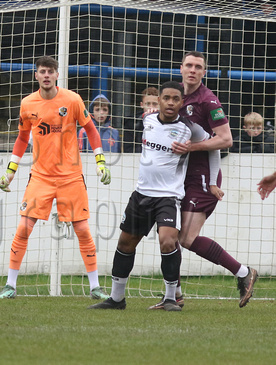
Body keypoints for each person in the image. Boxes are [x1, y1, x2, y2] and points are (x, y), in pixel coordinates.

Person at [88, 81, 220, 311]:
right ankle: (116, 299)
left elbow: (215, 146)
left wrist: (211, 181)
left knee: (168, 241)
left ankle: (171, 298)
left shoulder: (190, 127)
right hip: (142, 194)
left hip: (169, 197)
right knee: (126, 243)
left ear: (181, 103)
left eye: (175, 99)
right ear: (158, 100)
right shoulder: (146, 119)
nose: (170, 102)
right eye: (166, 98)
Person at [0, 55, 112, 300]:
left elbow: (90, 129)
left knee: (82, 229)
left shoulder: (72, 100)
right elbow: (22, 138)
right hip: (41, 178)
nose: (46, 75)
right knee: (24, 227)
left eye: (50, 71)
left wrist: (100, 161)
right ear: (36, 75)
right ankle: (10, 285)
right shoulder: (28, 104)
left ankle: (95, 287)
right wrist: (10, 171)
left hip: (71, 177)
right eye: (42, 71)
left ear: (57, 75)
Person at [164, 51, 257, 309]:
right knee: (168, 233)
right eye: (189, 65)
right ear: (181, 68)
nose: (193, 70)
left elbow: (226, 140)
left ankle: (242, 273)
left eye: (198, 67)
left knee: (186, 239)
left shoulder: (208, 101)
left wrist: (193, 149)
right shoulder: (175, 96)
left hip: (203, 177)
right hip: (179, 176)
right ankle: (174, 295)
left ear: (204, 72)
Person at [122, 87, 159, 153]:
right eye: (148, 104)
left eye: (155, 104)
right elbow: (128, 149)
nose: (151, 107)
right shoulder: (131, 122)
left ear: (160, 105)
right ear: (141, 105)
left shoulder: (166, 122)